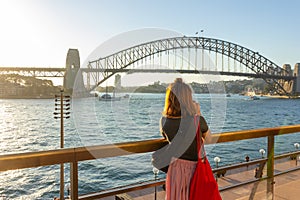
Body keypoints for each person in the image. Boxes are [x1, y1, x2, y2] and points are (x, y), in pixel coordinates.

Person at [158, 78, 212, 200]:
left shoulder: (164, 121)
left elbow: (167, 137)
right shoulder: (197, 120)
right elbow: (209, 139)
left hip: (175, 168)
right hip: (195, 169)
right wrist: (198, 114)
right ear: (188, 99)